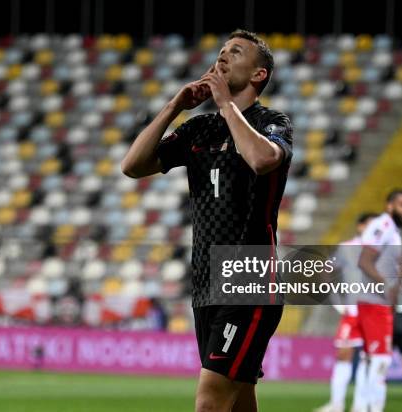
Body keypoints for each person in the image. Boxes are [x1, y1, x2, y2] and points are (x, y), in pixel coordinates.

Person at [121, 29, 292, 412]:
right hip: (205, 279)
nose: (223, 56)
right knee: (239, 400)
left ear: (258, 75)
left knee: (209, 404)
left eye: (236, 51)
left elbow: (263, 160)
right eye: (221, 51)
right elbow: (133, 166)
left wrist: (224, 103)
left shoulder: (272, 122)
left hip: (249, 276)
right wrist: (174, 107)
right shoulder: (199, 129)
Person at [351, 189, 402, 412]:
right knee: (380, 362)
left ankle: (361, 407)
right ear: (390, 206)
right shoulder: (383, 226)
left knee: (372, 360)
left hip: (380, 305)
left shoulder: (393, 231)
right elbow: (365, 261)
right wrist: (387, 286)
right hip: (374, 303)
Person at [315, 212, 377, 412]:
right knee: (344, 354)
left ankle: (360, 405)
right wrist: (335, 297)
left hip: (373, 310)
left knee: (369, 359)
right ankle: (337, 404)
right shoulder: (347, 247)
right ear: (360, 226)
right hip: (352, 310)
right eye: (369, 225)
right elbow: (327, 269)